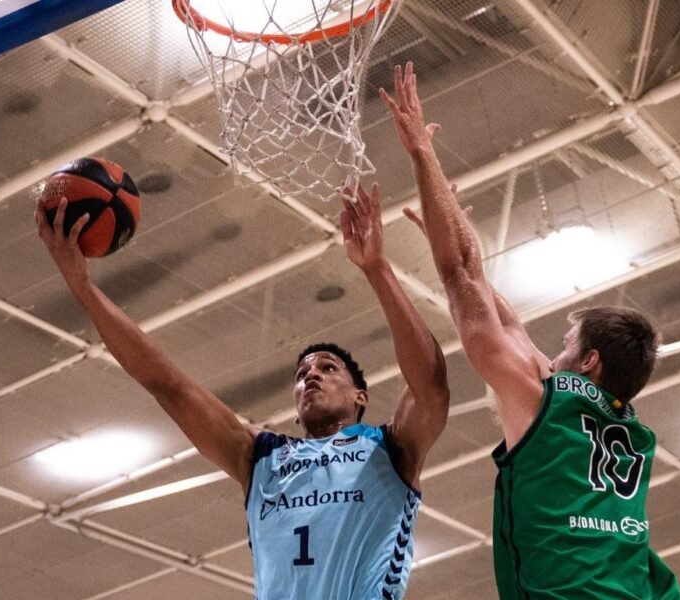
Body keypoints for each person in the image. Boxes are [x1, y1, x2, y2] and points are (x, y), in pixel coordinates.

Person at [34, 181, 449, 600]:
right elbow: (167, 384)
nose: (311, 377)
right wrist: (82, 286)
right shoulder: (261, 457)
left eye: (328, 367)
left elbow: (430, 385)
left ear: (361, 395)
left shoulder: (389, 448)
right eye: (302, 374)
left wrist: (376, 267)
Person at [382, 62, 680, 599]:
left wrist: (421, 154)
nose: (554, 352)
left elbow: (460, 275)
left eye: (568, 346)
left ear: (589, 362)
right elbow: (482, 286)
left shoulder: (541, 399)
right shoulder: (634, 434)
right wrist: (445, 217)